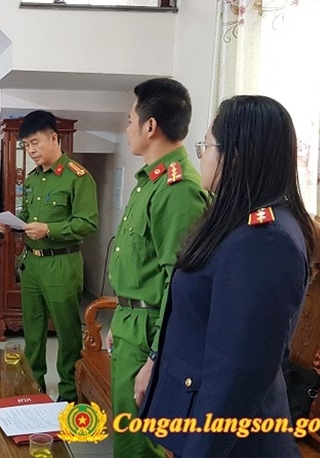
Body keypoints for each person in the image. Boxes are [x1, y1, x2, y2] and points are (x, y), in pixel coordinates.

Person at [140, 95, 316, 457]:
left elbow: (237, 373)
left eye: (207, 146)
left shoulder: (266, 239)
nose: (201, 156)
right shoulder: (237, 221)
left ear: (233, 156)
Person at [106, 78, 209, 456]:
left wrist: (156, 357)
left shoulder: (177, 190)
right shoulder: (149, 182)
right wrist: (120, 319)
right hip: (131, 325)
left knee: (141, 447)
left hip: (151, 335)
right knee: (126, 438)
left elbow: (179, 285)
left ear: (150, 126)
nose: (127, 128)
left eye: (129, 120)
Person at [0, 110, 99, 402]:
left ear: (54, 138)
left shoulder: (77, 177)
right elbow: (30, 216)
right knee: (33, 330)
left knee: (67, 333)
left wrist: (49, 229)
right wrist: (13, 223)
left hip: (61, 263)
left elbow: (88, 223)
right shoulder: (33, 179)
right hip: (32, 263)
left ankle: (69, 394)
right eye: (26, 145)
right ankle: (33, 387)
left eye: (35, 143)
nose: (31, 150)